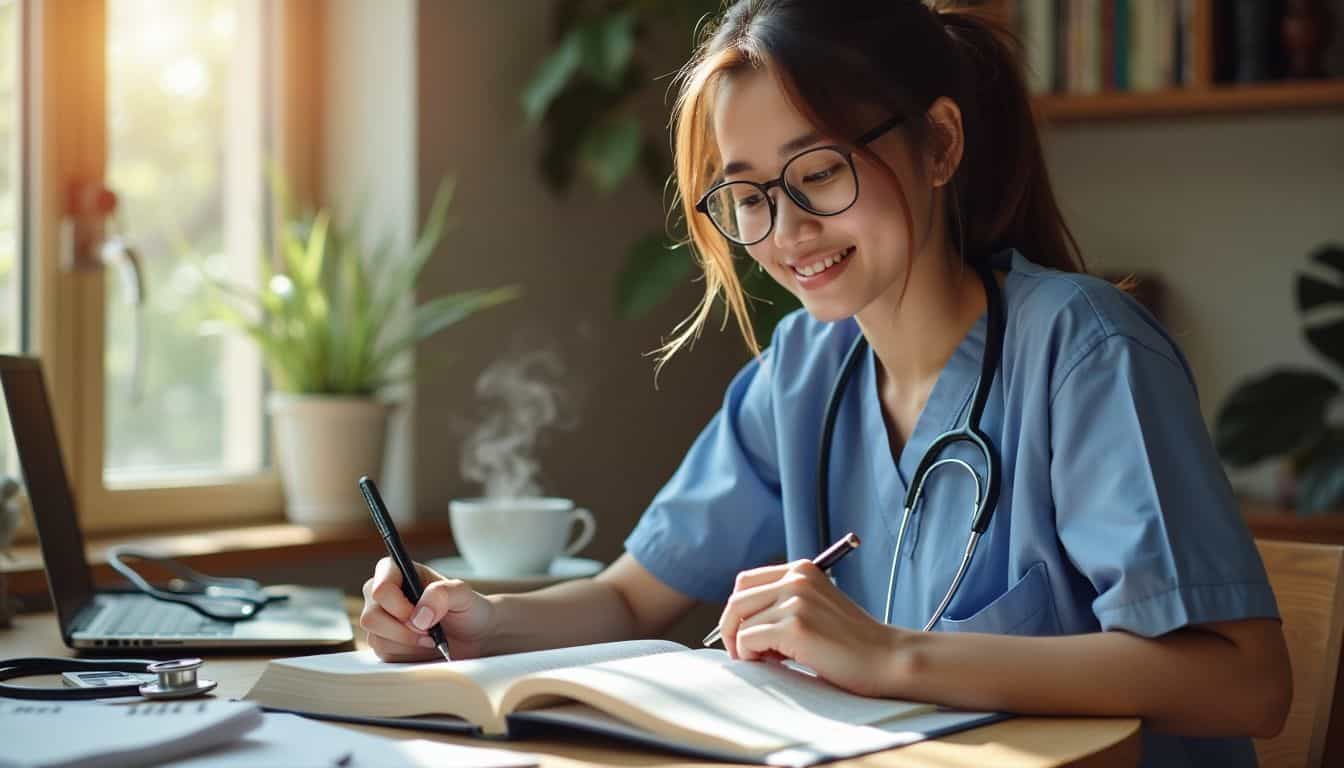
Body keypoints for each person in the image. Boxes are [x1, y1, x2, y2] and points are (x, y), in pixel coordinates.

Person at [362, 1, 1291, 764]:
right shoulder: (805, 370)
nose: (787, 230)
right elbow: (632, 599)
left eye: (819, 171)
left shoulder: (1083, 351)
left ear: (937, 146)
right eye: (752, 195)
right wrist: (476, 621)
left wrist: (892, 655)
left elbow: (1244, 682)